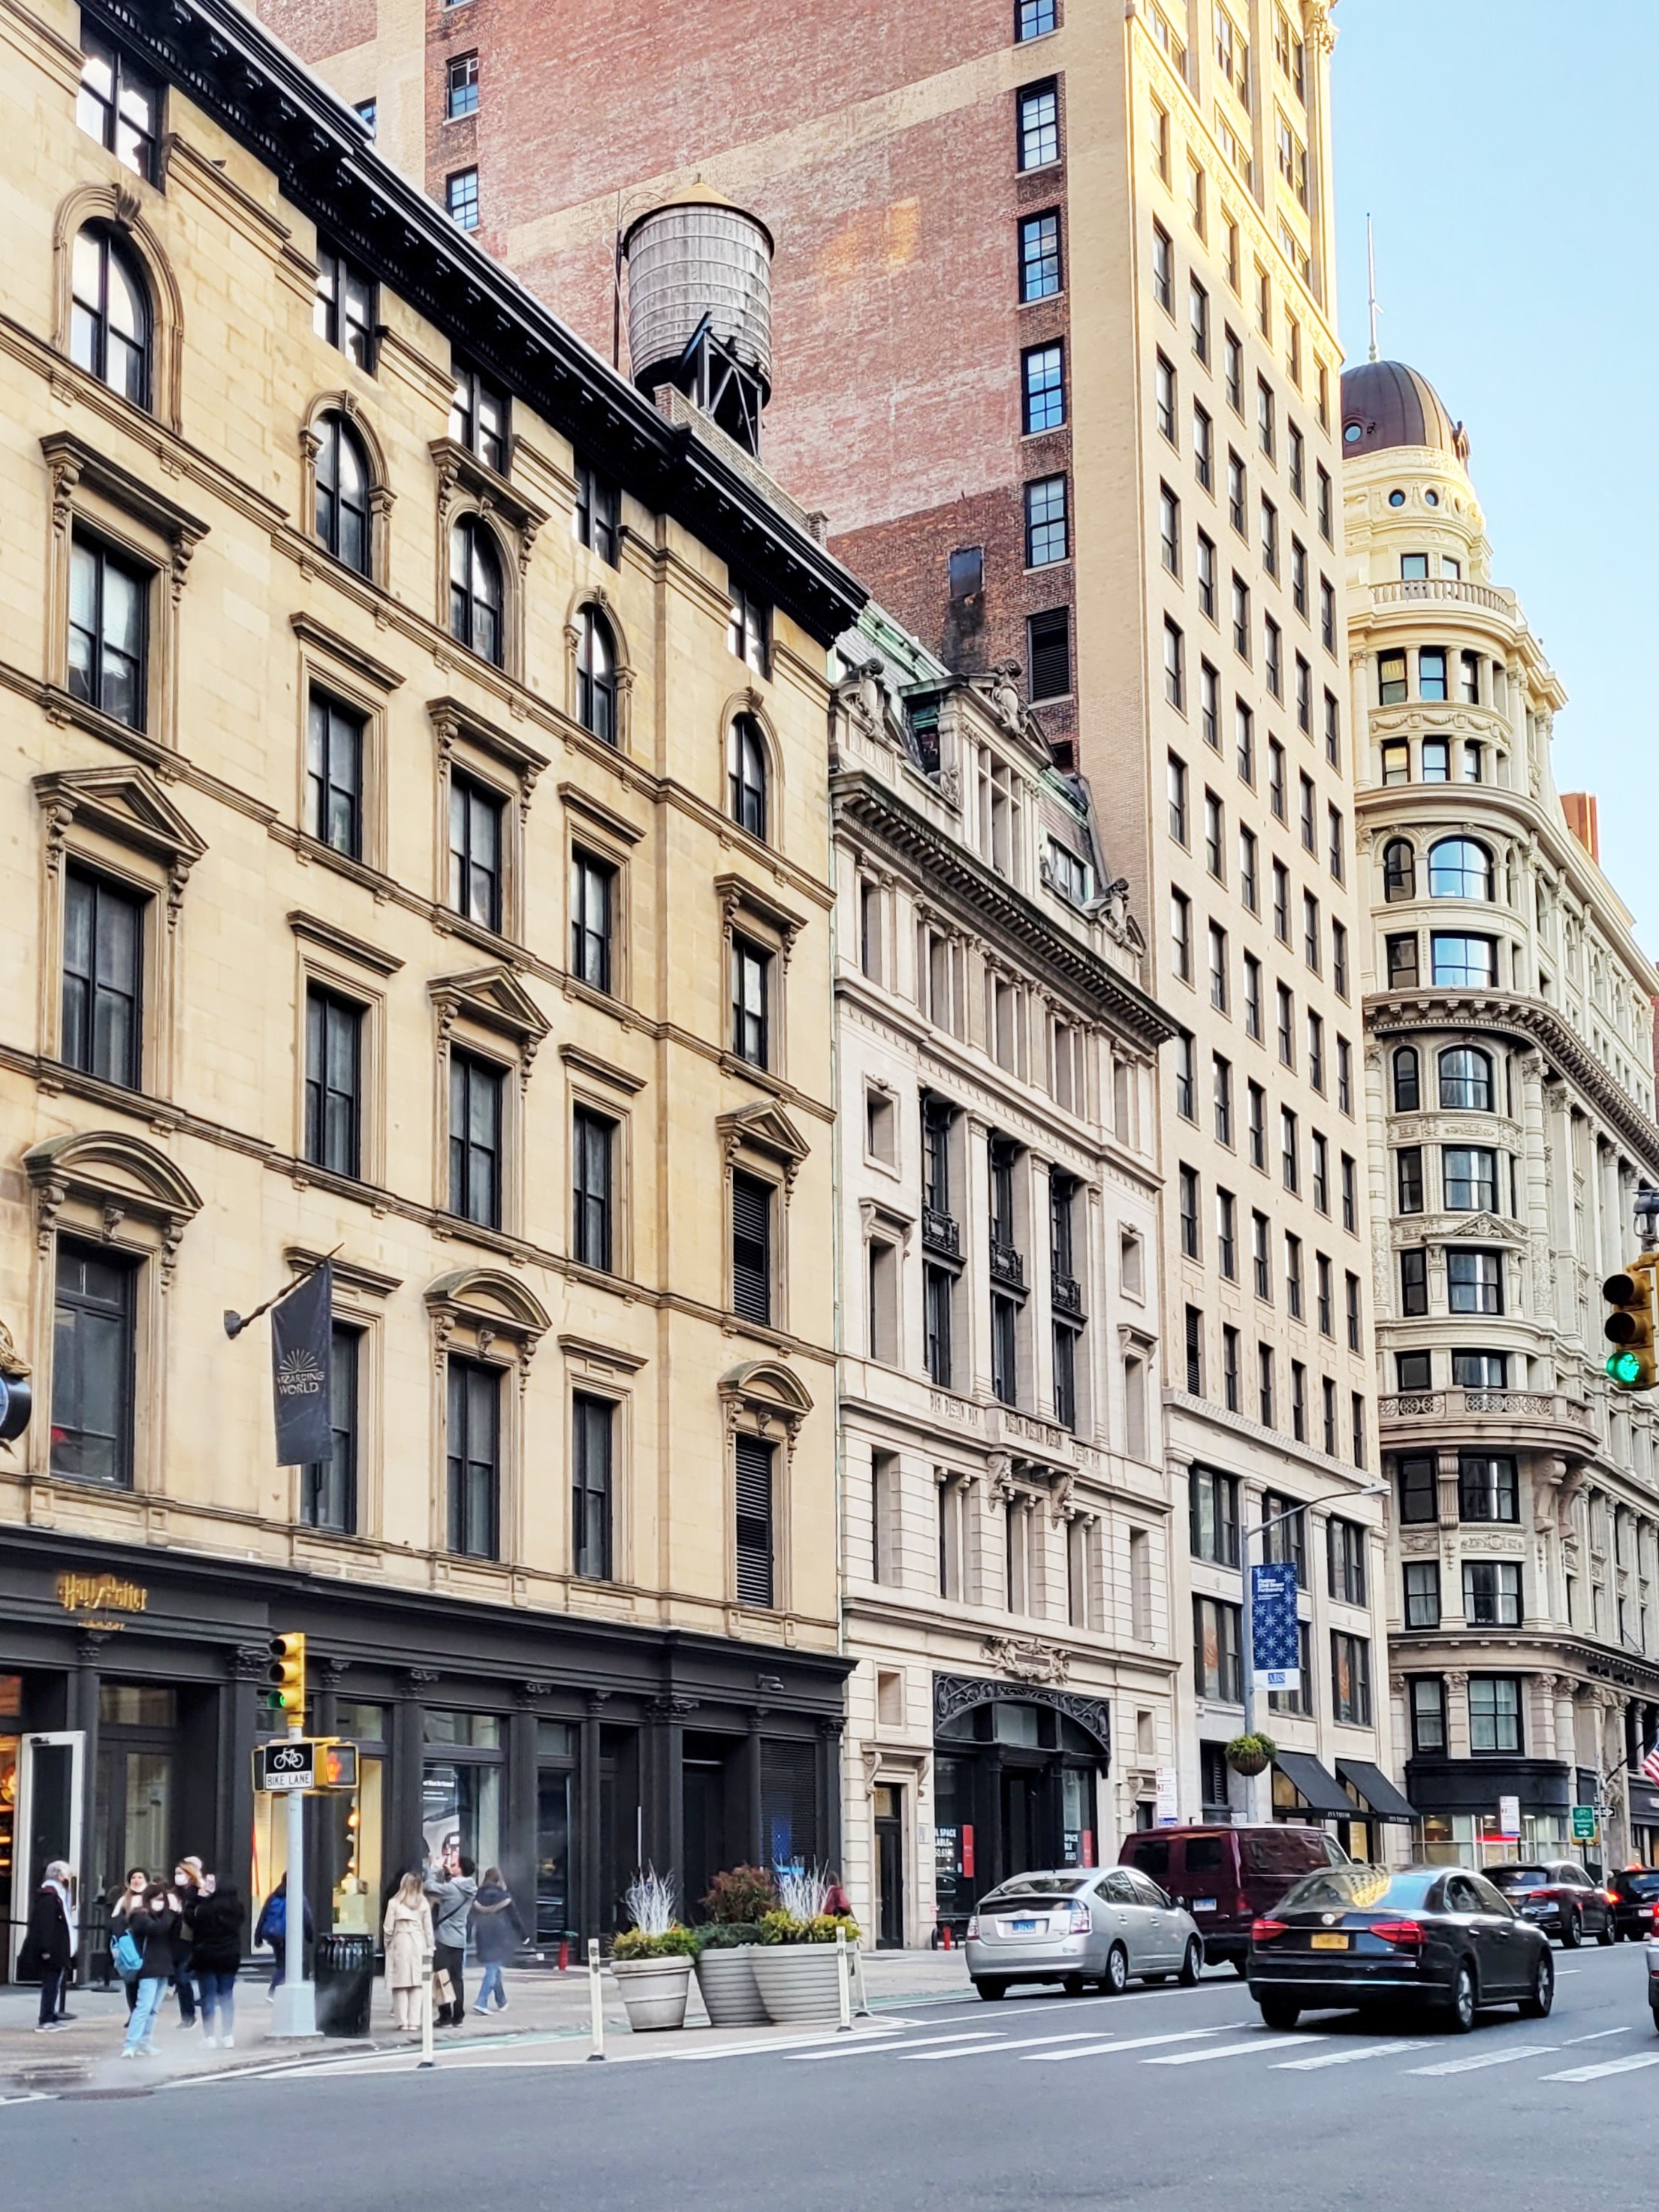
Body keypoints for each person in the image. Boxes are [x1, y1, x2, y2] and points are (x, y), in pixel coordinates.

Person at [121, 1883, 182, 2059]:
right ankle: (131, 2044)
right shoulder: (140, 1916)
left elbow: (175, 1933)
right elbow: (157, 1929)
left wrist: (176, 1913)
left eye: (162, 1899)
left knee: (153, 2009)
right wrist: (171, 1913)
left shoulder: (164, 1917)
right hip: (148, 1968)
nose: (160, 1903)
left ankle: (145, 2043)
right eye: (157, 1899)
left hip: (164, 1966)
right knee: (144, 2007)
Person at [187, 1874, 246, 2050]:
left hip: (207, 1956)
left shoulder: (206, 1908)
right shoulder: (238, 1908)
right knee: (227, 1995)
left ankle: (210, 2036)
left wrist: (197, 1899)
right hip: (230, 1956)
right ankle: (227, 2035)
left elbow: (191, 1920)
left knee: (209, 1996)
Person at [18, 1862, 77, 2034]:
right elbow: (44, 1926)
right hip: (52, 1948)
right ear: (59, 1875)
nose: (68, 1878)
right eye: (66, 1874)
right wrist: (46, 1949)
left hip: (56, 1947)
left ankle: (50, 2015)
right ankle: (45, 2018)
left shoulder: (55, 1896)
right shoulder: (50, 1898)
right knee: (51, 1984)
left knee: (54, 1984)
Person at [425, 1848, 478, 2026]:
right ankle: (458, 2014)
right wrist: (448, 1874)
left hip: (444, 1938)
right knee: (457, 1978)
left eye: (454, 1865)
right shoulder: (470, 1888)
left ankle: (445, 2014)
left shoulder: (451, 1889)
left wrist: (435, 1869)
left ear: (460, 1869)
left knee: (442, 1977)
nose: (450, 1866)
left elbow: (429, 1886)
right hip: (459, 1938)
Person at [382, 1871, 434, 2034]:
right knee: (417, 1984)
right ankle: (414, 2021)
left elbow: (388, 1929)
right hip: (419, 1943)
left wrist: (387, 1944)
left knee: (400, 1984)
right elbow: (428, 1929)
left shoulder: (394, 1903)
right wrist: (430, 1947)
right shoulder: (423, 1903)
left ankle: (402, 2021)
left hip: (400, 1942)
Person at [469, 1868, 526, 2016]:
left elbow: (471, 1917)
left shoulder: (478, 1895)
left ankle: (502, 2001)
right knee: (492, 1968)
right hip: (499, 1935)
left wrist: (468, 1934)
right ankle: (481, 2001)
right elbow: (514, 1917)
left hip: (483, 1933)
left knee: (493, 1967)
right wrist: (524, 1936)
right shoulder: (504, 1896)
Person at [255, 1874, 314, 1996]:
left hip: (274, 1935)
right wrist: (310, 1936)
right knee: (286, 1965)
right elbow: (307, 1918)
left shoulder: (274, 1895)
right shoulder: (298, 1897)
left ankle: (278, 1988)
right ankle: (273, 1990)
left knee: (281, 1962)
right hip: (289, 1936)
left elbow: (263, 1915)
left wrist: (258, 1936)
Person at [108, 1868, 148, 2019]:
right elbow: (115, 1922)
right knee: (131, 1981)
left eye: (140, 1877)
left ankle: (141, 2014)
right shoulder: (123, 1900)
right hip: (129, 1944)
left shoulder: (151, 1898)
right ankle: (133, 2013)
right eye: (133, 1878)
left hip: (146, 1944)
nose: (136, 1881)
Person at [170, 1857, 203, 2029]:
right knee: (179, 1979)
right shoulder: (174, 1895)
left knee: (183, 1978)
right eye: (176, 1873)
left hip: (192, 1942)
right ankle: (187, 2016)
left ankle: (190, 2016)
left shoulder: (197, 1894)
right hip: (176, 1942)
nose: (177, 1876)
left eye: (180, 1873)